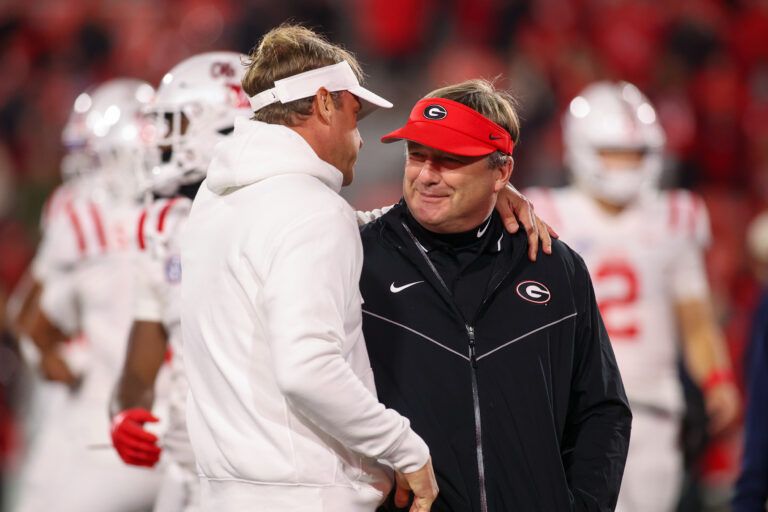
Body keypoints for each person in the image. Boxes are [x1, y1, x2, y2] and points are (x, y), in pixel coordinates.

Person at [179, 25, 439, 512]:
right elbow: (307, 368)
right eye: (353, 114)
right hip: (304, 496)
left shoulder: (212, 202)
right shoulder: (313, 209)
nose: (359, 140)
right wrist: (404, 448)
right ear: (323, 103)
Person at [359, 79, 632, 512]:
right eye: (417, 155)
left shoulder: (552, 266)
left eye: (449, 160)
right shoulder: (357, 258)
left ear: (501, 172)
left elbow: (602, 410)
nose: (426, 175)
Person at [525, 81, 739, 512]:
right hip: (569, 407)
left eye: (633, 154)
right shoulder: (541, 210)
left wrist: (717, 379)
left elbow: (694, 317)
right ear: (582, 149)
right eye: (612, 152)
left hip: (652, 407)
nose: (624, 164)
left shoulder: (675, 216)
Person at [108, 51, 252, 512]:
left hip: (254, 475)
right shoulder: (163, 224)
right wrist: (124, 412)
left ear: (225, 125)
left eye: (177, 123)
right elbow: (141, 356)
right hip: (182, 473)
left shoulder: (277, 216)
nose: (161, 138)